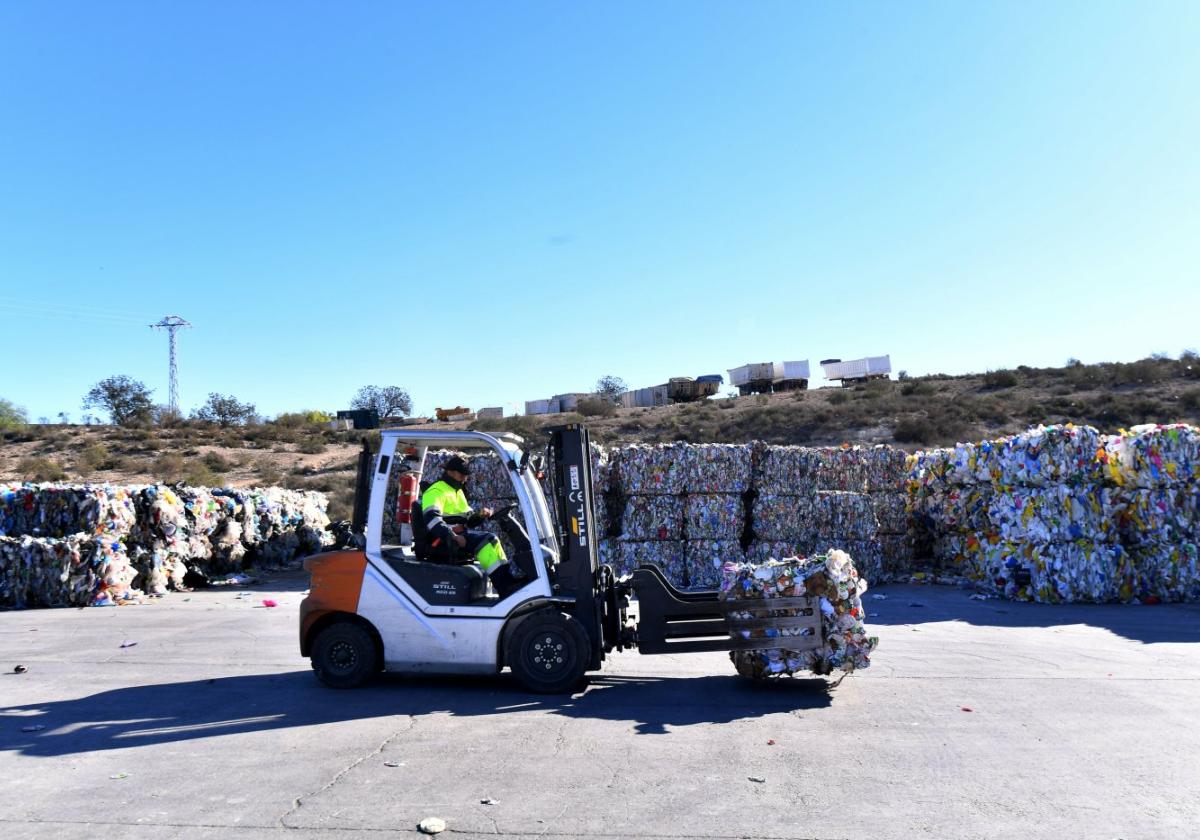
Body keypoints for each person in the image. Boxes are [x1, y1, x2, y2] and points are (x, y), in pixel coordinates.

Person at [420, 455, 523, 595]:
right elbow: (432, 519)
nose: (465, 478)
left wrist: (480, 515)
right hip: (442, 539)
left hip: (457, 535)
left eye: (466, 475)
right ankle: (505, 588)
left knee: (493, 540)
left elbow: (468, 521)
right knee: (486, 542)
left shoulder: (457, 491)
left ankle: (508, 581)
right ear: (450, 472)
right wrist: (452, 536)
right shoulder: (436, 491)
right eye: (462, 474)